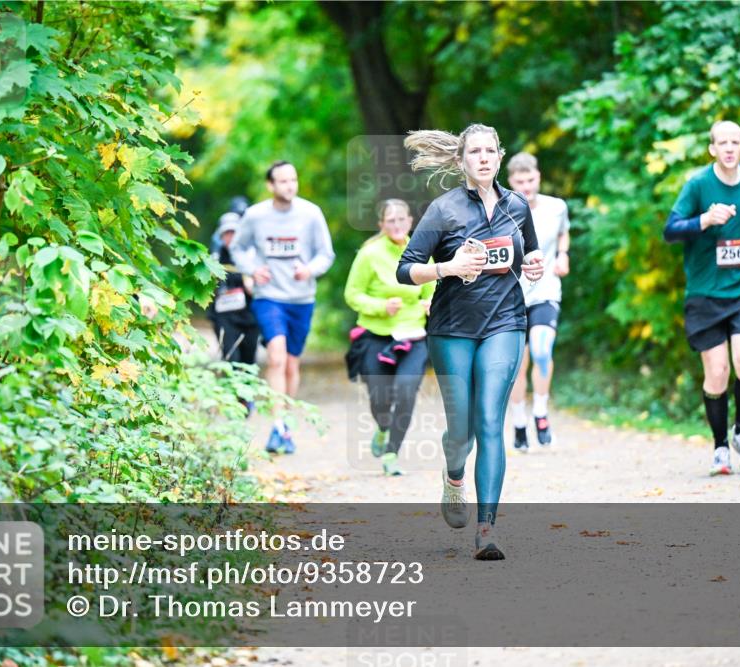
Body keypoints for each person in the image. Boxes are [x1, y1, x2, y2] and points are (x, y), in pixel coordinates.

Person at [397, 124, 544, 560]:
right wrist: (449, 267)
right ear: (461, 161)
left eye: (489, 151)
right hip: (451, 328)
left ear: (500, 156)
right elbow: (405, 270)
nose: (483, 158)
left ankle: (487, 529)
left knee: (489, 422)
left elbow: (529, 255)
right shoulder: (443, 211)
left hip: (505, 323)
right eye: (474, 152)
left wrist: (534, 266)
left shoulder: (517, 206)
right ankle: (454, 475)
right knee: (460, 429)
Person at [663, 120, 740, 476]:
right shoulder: (698, 185)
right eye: (722, 143)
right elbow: (670, 230)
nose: (729, 148)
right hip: (706, 293)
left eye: (735, 142)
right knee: (717, 372)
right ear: (712, 148)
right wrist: (704, 220)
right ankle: (720, 447)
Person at [231, 161, 335, 455]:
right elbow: (238, 248)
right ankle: (276, 425)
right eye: (283, 181)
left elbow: (326, 254)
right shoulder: (255, 215)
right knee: (275, 357)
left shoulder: (311, 213)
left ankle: (286, 424)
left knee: (291, 364)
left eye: (293, 180)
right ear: (271, 185)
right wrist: (252, 269)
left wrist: (310, 269)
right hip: (269, 296)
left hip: (301, 298)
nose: (290, 185)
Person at [344, 199, 434, 477]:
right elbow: (352, 294)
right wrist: (381, 307)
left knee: (406, 392)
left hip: (413, 335)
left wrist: (431, 302)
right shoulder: (369, 254)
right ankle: (383, 428)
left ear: (410, 222)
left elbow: (431, 287)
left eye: (401, 220)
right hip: (376, 335)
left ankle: (392, 452)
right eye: (390, 221)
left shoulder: (420, 251)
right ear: (381, 225)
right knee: (379, 398)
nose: (396, 225)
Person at [505, 152, 570, 450]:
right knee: (519, 364)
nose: (526, 187)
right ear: (509, 182)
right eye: (520, 182)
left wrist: (562, 255)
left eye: (530, 180)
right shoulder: (502, 210)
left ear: (538, 177)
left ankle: (541, 415)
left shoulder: (557, 207)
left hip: (545, 291)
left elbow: (563, 233)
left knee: (542, 351)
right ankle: (519, 424)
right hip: (511, 295)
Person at [208, 212, 260, 367]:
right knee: (231, 358)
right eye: (226, 233)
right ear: (221, 236)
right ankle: (232, 390)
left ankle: (247, 390)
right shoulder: (213, 259)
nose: (230, 237)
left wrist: (252, 283)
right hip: (224, 317)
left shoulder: (252, 257)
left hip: (250, 317)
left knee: (249, 361)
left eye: (234, 232)